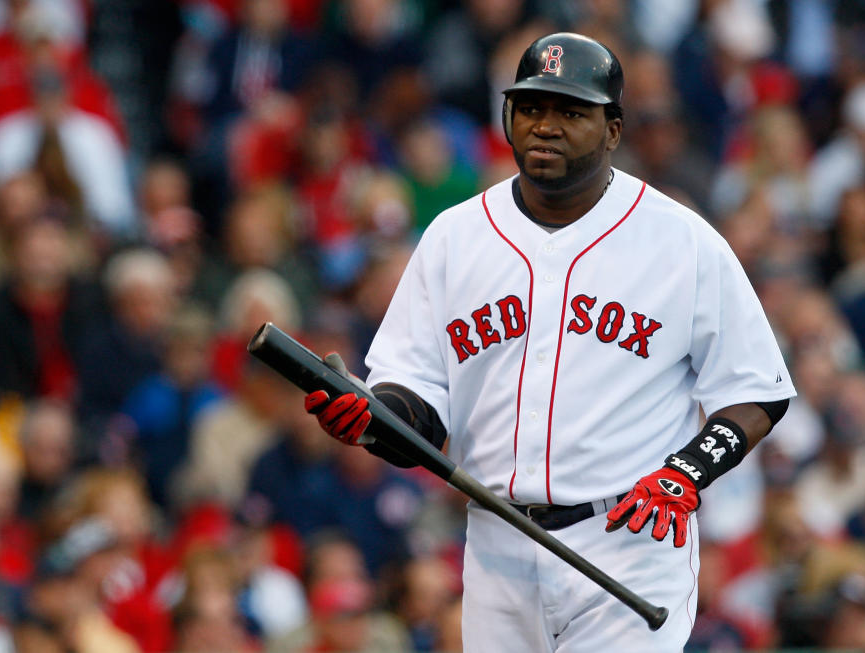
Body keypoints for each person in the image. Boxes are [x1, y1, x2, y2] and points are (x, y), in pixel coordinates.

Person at [303, 32, 795, 651]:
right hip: (495, 542)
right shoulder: (455, 237)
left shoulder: (681, 241)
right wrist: (374, 419)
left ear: (613, 129)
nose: (546, 126)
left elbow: (757, 390)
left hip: (627, 543)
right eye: (531, 107)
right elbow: (418, 407)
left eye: (571, 111)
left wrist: (686, 474)